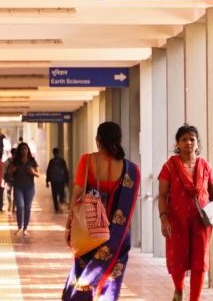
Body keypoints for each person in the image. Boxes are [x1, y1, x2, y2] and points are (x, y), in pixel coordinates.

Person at [63, 122, 139, 301]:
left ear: (98, 141)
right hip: (116, 236)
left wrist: (69, 225)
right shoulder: (131, 169)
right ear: (119, 140)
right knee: (111, 280)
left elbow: (77, 195)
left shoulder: (87, 160)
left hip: (89, 229)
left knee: (83, 274)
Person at [157, 125, 213, 301]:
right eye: (184, 139)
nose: (188, 143)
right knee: (177, 259)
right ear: (178, 144)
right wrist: (163, 219)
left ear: (197, 143)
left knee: (199, 262)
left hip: (201, 221)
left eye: (192, 139)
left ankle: (194, 299)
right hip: (176, 221)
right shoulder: (169, 167)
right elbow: (163, 196)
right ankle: (179, 290)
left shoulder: (205, 166)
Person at [7, 142, 40, 235]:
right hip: (18, 187)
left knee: (27, 207)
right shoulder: (15, 161)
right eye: (22, 149)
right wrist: (12, 170)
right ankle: (19, 227)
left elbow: (38, 174)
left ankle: (25, 228)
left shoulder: (32, 161)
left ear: (28, 150)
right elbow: (9, 171)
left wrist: (32, 172)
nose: (24, 150)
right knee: (20, 206)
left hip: (29, 187)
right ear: (20, 151)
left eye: (26, 148)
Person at [46, 147, 71, 213]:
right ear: (58, 152)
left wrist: (47, 181)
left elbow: (48, 171)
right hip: (61, 180)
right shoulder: (62, 161)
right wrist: (67, 181)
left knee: (54, 194)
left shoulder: (51, 161)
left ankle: (56, 209)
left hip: (53, 180)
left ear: (53, 153)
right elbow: (66, 171)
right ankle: (60, 205)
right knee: (61, 194)